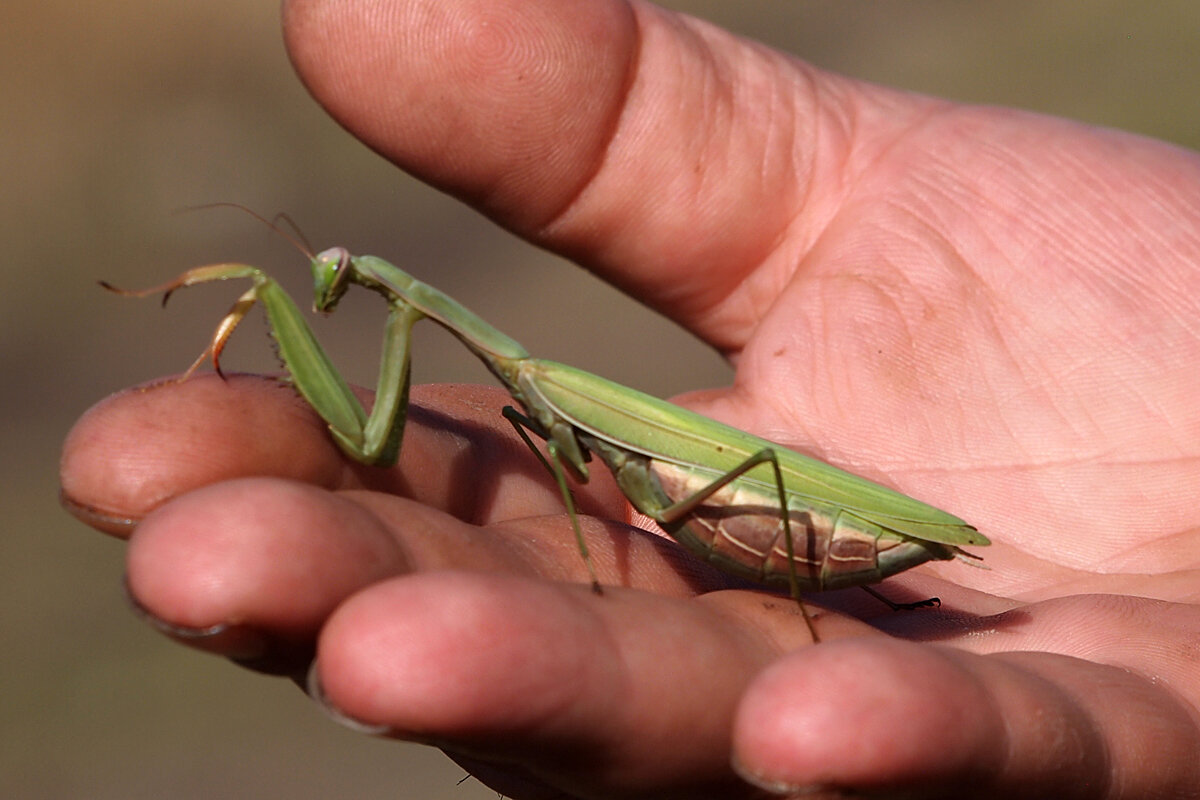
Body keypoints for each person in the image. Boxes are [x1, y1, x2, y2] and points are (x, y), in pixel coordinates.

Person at [60, 1, 1200, 797]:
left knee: (723, 472)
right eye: (328, 282)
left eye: (344, 278)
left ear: (387, 290)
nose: (331, 285)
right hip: (716, 497)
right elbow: (390, 437)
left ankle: (838, 597)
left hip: (788, 508)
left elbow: (378, 432)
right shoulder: (527, 391)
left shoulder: (540, 383)